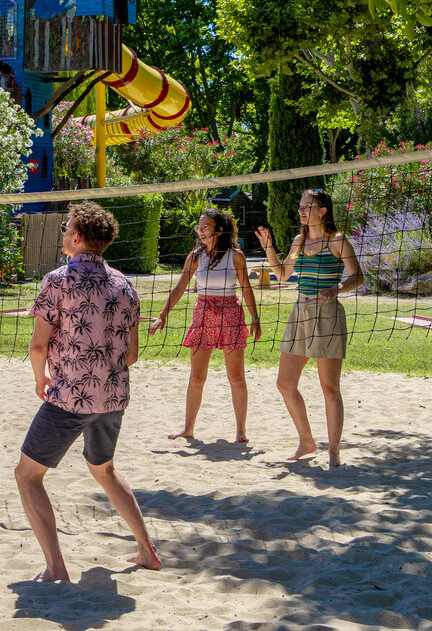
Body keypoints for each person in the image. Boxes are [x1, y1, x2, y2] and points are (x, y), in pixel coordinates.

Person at [15, 201, 160, 582]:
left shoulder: (58, 280)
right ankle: (147, 551)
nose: (63, 232)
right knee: (105, 470)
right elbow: (131, 355)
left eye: (66, 228)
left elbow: (37, 346)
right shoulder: (125, 286)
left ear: (77, 238)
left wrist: (39, 379)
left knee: (27, 476)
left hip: (71, 396)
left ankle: (56, 568)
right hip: (113, 397)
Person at [255, 188, 362, 468]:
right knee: (285, 383)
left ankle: (334, 451)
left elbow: (358, 277)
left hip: (327, 314)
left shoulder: (337, 241)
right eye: (300, 206)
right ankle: (306, 441)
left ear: (322, 210)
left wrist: (336, 289)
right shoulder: (299, 241)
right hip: (299, 313)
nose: (301, 211)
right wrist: (268, 245)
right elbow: (282, 274)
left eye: (307, 206)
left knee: (329, 388)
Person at [149, 209, 261, 442]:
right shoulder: (195, 256)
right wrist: (163, 315)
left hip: (230, 313)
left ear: (219, 230)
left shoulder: (236, 256)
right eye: (199, 227)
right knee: (197, 377)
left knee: (236, 377)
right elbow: (180, 287)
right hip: (204, 313)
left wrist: (255, 318)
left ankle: (241, 431)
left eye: (206, 227)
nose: (201, 231)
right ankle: (188, 428)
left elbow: (247, 289)